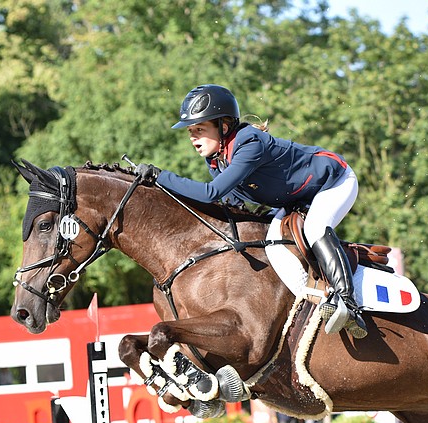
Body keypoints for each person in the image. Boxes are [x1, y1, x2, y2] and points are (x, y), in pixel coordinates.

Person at [136, 84, 367, 338]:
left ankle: (347, 303)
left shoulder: (250, 143)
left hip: (335, 181)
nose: (193, 138)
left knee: (314, 229)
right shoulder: (217, 159)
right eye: (191, 132)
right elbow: (234, 206)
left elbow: (211, 193)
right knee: (269, 240)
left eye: (200, 130)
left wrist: (161, 177)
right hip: (295, 200)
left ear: (224, 127)